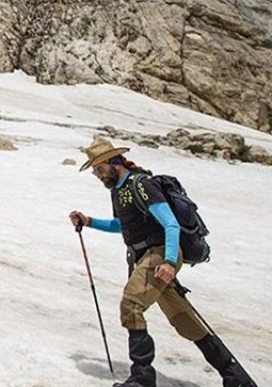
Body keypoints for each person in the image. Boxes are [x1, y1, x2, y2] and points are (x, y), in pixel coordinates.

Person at [69, 138, 256, 387]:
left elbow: (170, 223)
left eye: (99, 169)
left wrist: (168, 262)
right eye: (95, 171)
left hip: (160, 254)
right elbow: (121, 225)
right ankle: (236, 378)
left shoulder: (142, 184)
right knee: (184, 320)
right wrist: (89, 221)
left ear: (114, 162)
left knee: (131, 304)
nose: (98, 175)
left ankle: (142, 378)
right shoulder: (118, 190)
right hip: (147, 258)